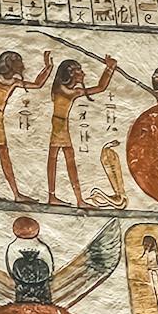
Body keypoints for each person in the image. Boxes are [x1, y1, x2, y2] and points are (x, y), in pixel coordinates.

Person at [0, 50, 51, 201]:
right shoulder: (1, 78)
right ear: (10, 64)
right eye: (20, 63)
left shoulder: (11, 80)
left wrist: (48, 67)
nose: (23, 66)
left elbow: (37, 84)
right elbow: (35, 84)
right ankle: (11, 193)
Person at [46, 56, 116, 205]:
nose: (83, 74)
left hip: (60, 125)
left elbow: (100, 87)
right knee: (63, 160)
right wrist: (109, 68)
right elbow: (100, 87)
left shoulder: (67, 89)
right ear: (71, 74)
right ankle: (69, 198)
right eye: (80, 71)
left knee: (60, 159)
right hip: (59, 127)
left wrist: (110, 68)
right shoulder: (63, 89)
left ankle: (70, 198)